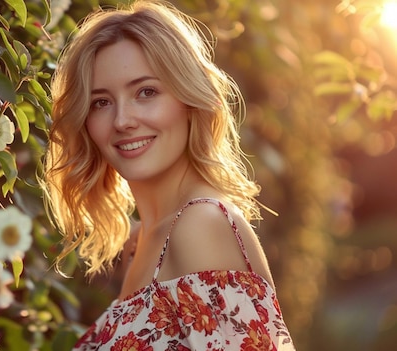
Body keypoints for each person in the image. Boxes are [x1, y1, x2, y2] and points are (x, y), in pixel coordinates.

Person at [41, 0, 296, 349]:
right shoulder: (141, 241)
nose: (122, 120)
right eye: (101, 102)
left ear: (188, 99)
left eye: (146, 92)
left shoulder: (200, 224)